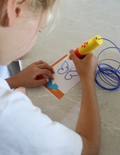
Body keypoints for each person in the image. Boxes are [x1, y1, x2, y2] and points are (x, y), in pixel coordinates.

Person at [0, 0, 100, 155]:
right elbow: (88, 148)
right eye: (39, 29)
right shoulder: (9, 114)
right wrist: (87, 77)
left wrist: (13, 81)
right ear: (13, 10)